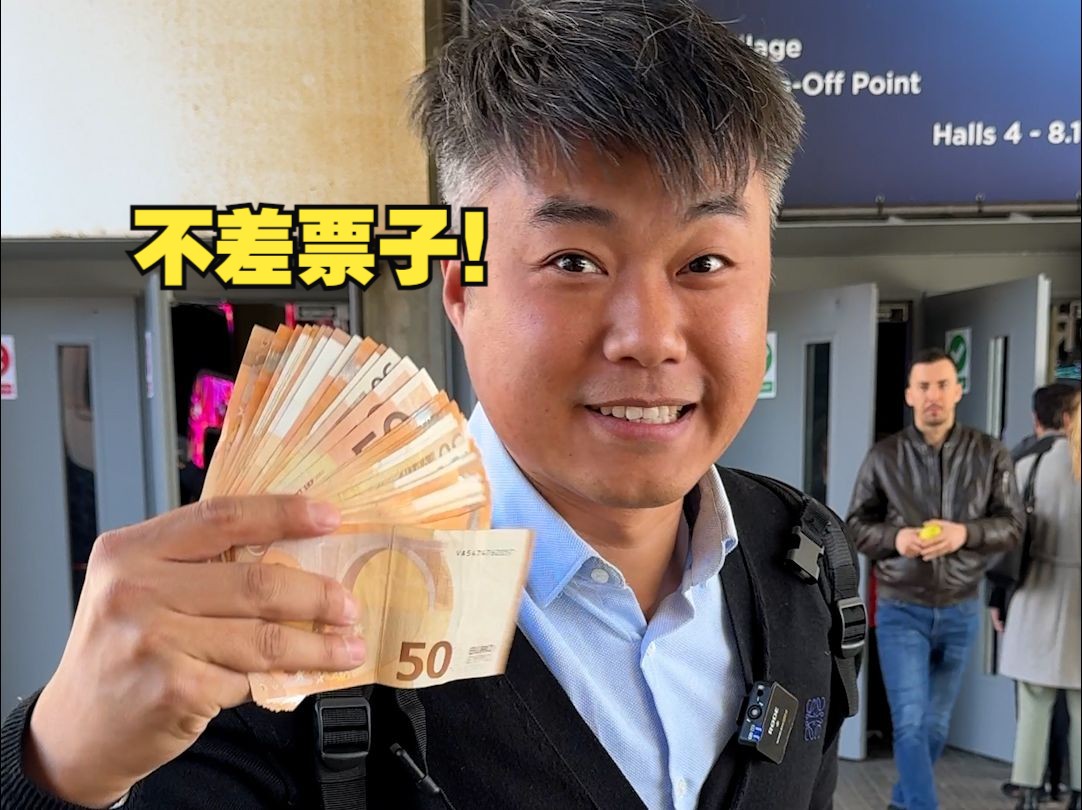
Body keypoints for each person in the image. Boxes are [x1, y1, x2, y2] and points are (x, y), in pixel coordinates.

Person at [0, 2, 865, 808]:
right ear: (462, 289)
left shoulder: (804, 559)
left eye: (705, 263)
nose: (649, 337)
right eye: (572, 261)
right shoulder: (273, 622)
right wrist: (56, 768)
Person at [846, 347, 1024, 810]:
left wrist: (965, 533)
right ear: (909, 395)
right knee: (909, 723)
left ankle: (903, 802)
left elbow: (1012, 525)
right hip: (901, 607)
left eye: (942, 385)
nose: (933, 395)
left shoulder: (989, 453)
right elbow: (855, 527)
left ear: (957, 390)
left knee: (934, 727)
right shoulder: (884, 456)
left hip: (961, 608)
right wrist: (898, 538)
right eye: (923, 386)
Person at [993, 383, 1079, 803]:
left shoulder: (1026, 465)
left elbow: (1005, 540)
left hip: (1034, 590)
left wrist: (997, 599)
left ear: (1037, 418)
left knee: (1033, 699)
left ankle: (1028, 789)